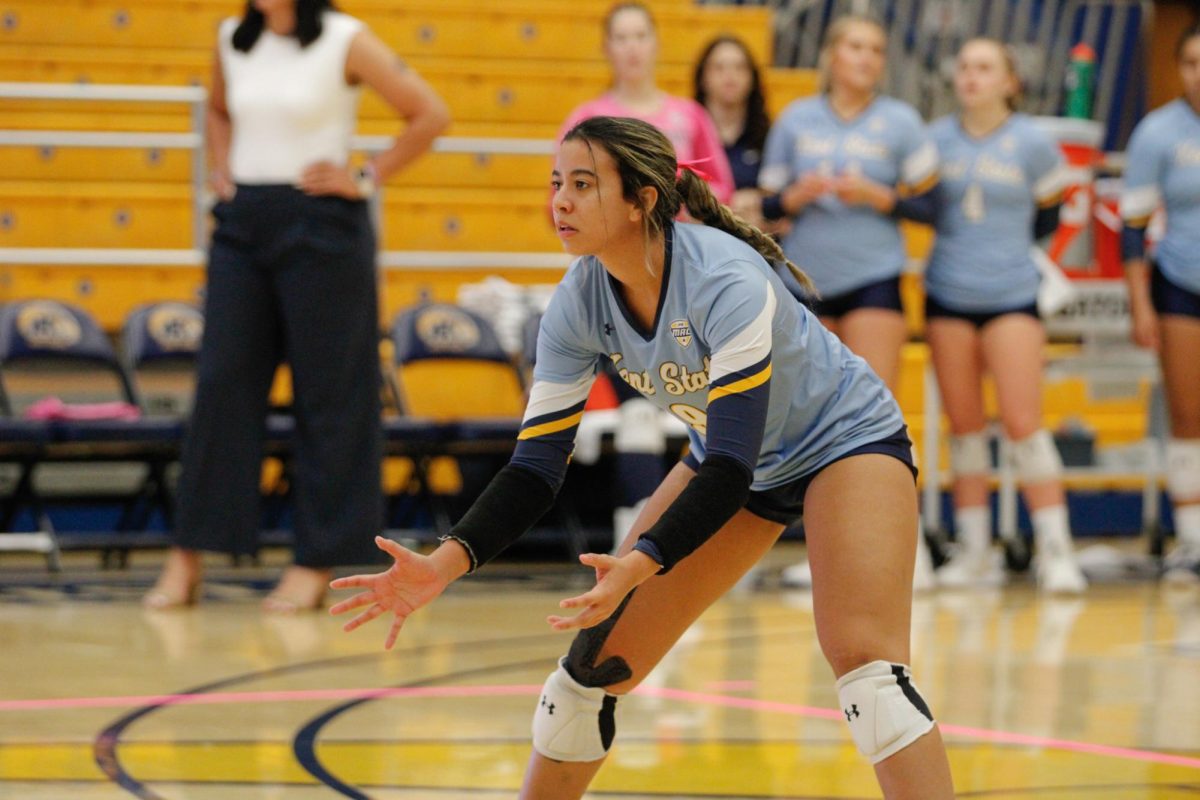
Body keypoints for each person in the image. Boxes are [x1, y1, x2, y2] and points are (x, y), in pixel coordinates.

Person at [330, 116, 956, 800]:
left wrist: (640, 560)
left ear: (642, 200)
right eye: (555, 184)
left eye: (582, 184)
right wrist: (442, 564)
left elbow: (729, 467)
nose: (559, 202)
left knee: (869, 675)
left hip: (842, 442)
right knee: (584, 680)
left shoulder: (726, 278)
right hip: (729, 461)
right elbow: (536, 468)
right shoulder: (576, 302)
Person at [143, 0, 450, 611]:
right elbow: (220, 110)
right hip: (242, 225)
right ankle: (189, 556)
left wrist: (365, 175)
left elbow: (430, 114)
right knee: (222, 385)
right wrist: (221, 169)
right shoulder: (232, 37)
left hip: (323, 226)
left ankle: (316, 561)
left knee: (331, 396)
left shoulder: (346, 38)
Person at [759, 15, 938, 589]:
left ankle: (911, 553)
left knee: (877, 414)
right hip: (806, 281)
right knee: (812, 418)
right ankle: (828, 558)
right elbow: (766, 206)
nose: (865, 58)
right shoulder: (795, 121)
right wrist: (795, 196)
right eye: (855, 47)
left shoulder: (901, 122)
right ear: (833, 55)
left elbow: (932, 207)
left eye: (876, 50)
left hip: (874, 278)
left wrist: (879, 196)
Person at [923, 38, 1087, 593]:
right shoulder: (936, 140)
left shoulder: (1033, 145)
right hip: (947, 294)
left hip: (1011, 295)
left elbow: (1051, 213)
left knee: (1022, 423)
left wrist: (1008, 254)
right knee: (965, 429)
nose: (971, 76)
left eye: (985, 68)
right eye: (964, 66)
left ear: (1009, 81)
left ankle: (1057, 551)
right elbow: (919, 203)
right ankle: (973, 552)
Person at [1122, 23, 1200, 583]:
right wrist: (1140, 304)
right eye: (1193, 62)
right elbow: (1133, 228)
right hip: (1180, 285)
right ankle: (1193, 542)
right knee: (1188, 415)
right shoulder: (1158, 132)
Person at [559, 2, 735, 205]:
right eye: (621, 38)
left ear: (656, 44)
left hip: (678, 233)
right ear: (606, 48)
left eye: (641, 36)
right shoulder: (587, 119)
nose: (632, 47)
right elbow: (559, 198)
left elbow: (724, 188)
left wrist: (688, 198)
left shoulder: (690, 115)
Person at [694, 34, 772, 227]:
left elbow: (781, 201)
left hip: (755, 240)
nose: (730, 76)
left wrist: (760, 202)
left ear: (752, 78)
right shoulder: (688, 132)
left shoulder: (769, 135)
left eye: (739, 67)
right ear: (703, 77)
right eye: (719, 67)